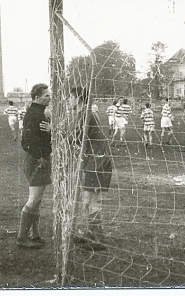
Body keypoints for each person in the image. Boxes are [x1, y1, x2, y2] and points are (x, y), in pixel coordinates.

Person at [69, 87, 113, 251]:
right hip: (93, 160)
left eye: (70, 98)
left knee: (91, 199)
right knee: (87, 200)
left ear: (77, 98)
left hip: (98, 161)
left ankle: (98, 238)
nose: (69, 101)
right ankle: (91, 233)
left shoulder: (86, 115)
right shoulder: (83, 114)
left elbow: (74, 137)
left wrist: (55, 132)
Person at [17, 83, 52, 249]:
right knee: (34, 200)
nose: (49, 97)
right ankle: (22, 238)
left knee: (37, 200)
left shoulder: (38, 113)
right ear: (37, 98)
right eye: (46, 95)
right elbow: (27, 140)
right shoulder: (34, 114)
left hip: (40, 159)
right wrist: (38, 157)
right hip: (37, 161)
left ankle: (34, 234)